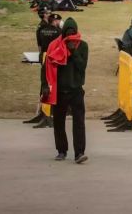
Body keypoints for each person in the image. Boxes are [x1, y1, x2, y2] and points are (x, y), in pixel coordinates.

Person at [43, 17, 89, 163]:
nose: (70, 36)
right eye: (67, 33)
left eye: (72, 33)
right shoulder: (54, 46)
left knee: (79, 122)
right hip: (59, 90)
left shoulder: (82, 46)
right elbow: (46, 67)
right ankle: (61, 150)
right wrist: (45, 85)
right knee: (58, 122)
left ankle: (79, 152)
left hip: (76, 90)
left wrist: (73, 51)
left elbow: (82, 67)